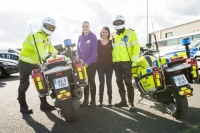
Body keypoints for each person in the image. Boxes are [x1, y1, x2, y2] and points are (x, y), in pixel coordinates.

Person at [17, 17, 58, 114]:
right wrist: (47, 58)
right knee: (24, 83)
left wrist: (60, 54)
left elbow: (51, 48)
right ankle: (23, 106)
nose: (50, 28)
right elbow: (40, 51)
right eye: (48, 26)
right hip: (25, 62)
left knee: (42, 82)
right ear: (43, 25)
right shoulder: (36, 34)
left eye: (52, 27)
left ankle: (43, 104)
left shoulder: (47, 37)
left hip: (36, 63)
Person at [111, 15, 140, 112]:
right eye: (116, 22)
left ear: (123, 22)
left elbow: (136, 47)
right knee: (119, 82)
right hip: (116, 63)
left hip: (127, 62)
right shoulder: (113, 34)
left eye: (119, 22)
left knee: (128, 82)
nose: (118, 24)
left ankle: (131, 104)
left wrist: (134, 60)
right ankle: (123, 101)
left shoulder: (131, 32)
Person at [77, 21, 98, 108]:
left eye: (87, 26)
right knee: (85, 83)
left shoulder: (93, 36)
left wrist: (87, 63)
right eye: (83, 26)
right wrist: (80, 61)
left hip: (92, 63)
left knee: (91, 81)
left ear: (89, 27)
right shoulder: (80, 37)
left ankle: (93, 101)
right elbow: (78, 50)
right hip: (83, 64)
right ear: (81, 27)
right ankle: (85, 101)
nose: (85, 28)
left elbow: (94, 52)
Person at [97, 27, 113, 107]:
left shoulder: (111, 42)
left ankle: (110, 101)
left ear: (108, 33)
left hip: (109, 65)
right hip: (100, 65)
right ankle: (100, 101)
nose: (104, 34)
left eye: (106, 32)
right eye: (103, 32)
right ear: (101, 33)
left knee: (108, 82)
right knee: (101, 82)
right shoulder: (98, 42)